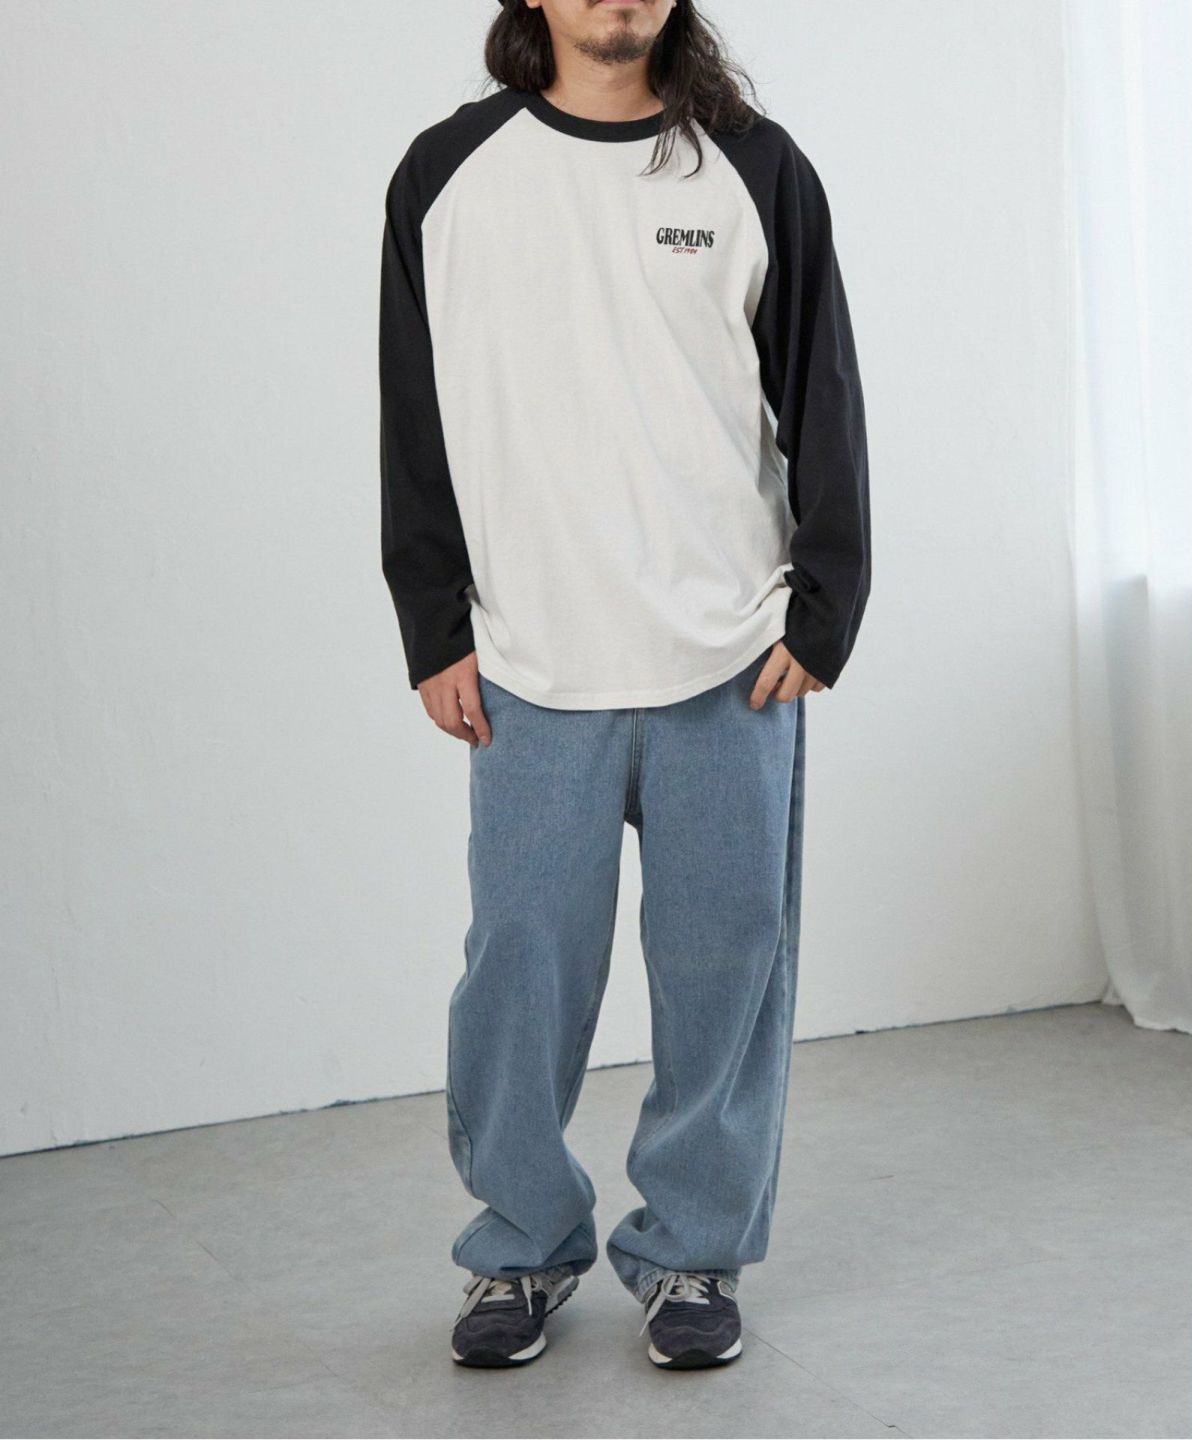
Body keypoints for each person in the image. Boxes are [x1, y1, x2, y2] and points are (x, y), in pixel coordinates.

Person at [379, 0, 870, 1371]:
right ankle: (519, 1248)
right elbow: (413, 411)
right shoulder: (447, 173)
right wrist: (431, 622)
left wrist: (827, 605)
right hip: (532, 661)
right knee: (520, 968)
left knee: (729, 969)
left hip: (733, 656)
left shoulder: (755, 167)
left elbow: (823, 391)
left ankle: (694, 1249)